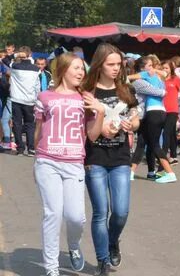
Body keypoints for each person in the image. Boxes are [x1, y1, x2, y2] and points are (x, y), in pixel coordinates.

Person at [35, 52, 107, 276]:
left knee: (76, 217)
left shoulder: (85, 98)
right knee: (53, 213)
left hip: (74, 162)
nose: (80, 72)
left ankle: (73, 245)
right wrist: (38, 156)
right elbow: (38, 131)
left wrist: (101, 112)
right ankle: (51, 269)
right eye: (76, 68)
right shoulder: (45, 96)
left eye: (82, 69)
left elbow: (92, 135)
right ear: (63, 69)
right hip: (47, 161)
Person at [82, 44, 140, 275]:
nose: (116, 68)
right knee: (100, 212)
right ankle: (102, 261)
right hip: (95, 157)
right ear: (99, 64)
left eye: (119, 64)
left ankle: (112, 240)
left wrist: (131, 124)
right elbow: (87, 130)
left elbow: (136, 118)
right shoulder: (88, 92)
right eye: (111, 64)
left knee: (121, 211)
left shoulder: (126, 89)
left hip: (120, 158)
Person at [127, 56, 177, 183]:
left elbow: (164, 76)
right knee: (146, 143)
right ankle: (149, 172)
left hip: (152, 114)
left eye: (152, 65)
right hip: (144, 115)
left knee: (149, 144)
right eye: (149, 65)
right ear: (142, 69)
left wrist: (156, 73)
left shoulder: (151, 77)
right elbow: (160, 92)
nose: (152, 68)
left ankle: (168, 173)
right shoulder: (140, 81)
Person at [9, 46, 40, 156]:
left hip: (16, 99)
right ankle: (31, 148)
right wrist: (37, 100)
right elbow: (37, 86)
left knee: (17, 124)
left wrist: (15, 55)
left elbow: (4, 60)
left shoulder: (15, 66)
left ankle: (20, 148)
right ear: (30, 54)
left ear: (21, 55)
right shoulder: (36, 69)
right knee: (30, 124)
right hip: (30, 100)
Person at [161, 60, 180, 165]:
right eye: (163, 68)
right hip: (161, 109)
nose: (165, 70)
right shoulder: (160, 79)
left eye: (167, 68)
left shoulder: (176, 79)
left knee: (166, 133)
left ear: (171, 69)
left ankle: (163, 157)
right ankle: (174, 156)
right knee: (172, 133)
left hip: (173, 110)